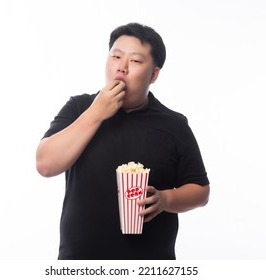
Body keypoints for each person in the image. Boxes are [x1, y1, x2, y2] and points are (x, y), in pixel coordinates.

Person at [36, 22, 210, 260]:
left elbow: (200, 190)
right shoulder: (79, 108)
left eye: (136, 61)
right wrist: (96, 112)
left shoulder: (174, 124)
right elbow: (46, 164)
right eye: (116, 56)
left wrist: (164, 199)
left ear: (154, 74)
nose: (122, 67)